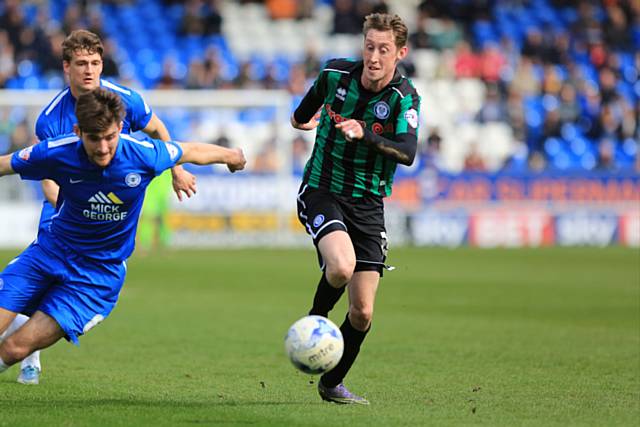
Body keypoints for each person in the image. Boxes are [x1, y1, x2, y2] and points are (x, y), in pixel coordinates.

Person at [0, 88, 246, 378]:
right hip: (49, 254)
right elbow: (6, 164)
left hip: (96, 277)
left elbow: (190, 150)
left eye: (110, 137)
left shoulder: (142, 154)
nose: (103, 148)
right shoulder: (57, 151)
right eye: (94, 139)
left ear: (119, 128)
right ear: (78, 131)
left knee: (14, 349)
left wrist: (232, 156)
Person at [5, 29, 197, 385]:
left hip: (109, 198)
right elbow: (48, 173)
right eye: (81, 64)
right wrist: (68, 201)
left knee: (61, 288)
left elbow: (158, 130)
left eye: (95, 63)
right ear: (67, 68)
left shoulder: (124, 99)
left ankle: (26, 346)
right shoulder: (51, 119)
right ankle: (28, 354)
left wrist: (177, 170)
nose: (89, 71)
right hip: (65, 207)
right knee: (34, 283)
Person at [291, 13, 420, 405]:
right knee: (341, 266)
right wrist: (302, 121)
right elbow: (301, 113)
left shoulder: (404, 97)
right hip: (322, 190)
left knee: (362, 312)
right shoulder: (334, 76)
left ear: (400, 52)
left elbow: (408, 152)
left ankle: (331, 385)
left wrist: (365, 135)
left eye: (384, 49)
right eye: (369, 47)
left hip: (368, 206)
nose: (374, 57)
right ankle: (314, 322)